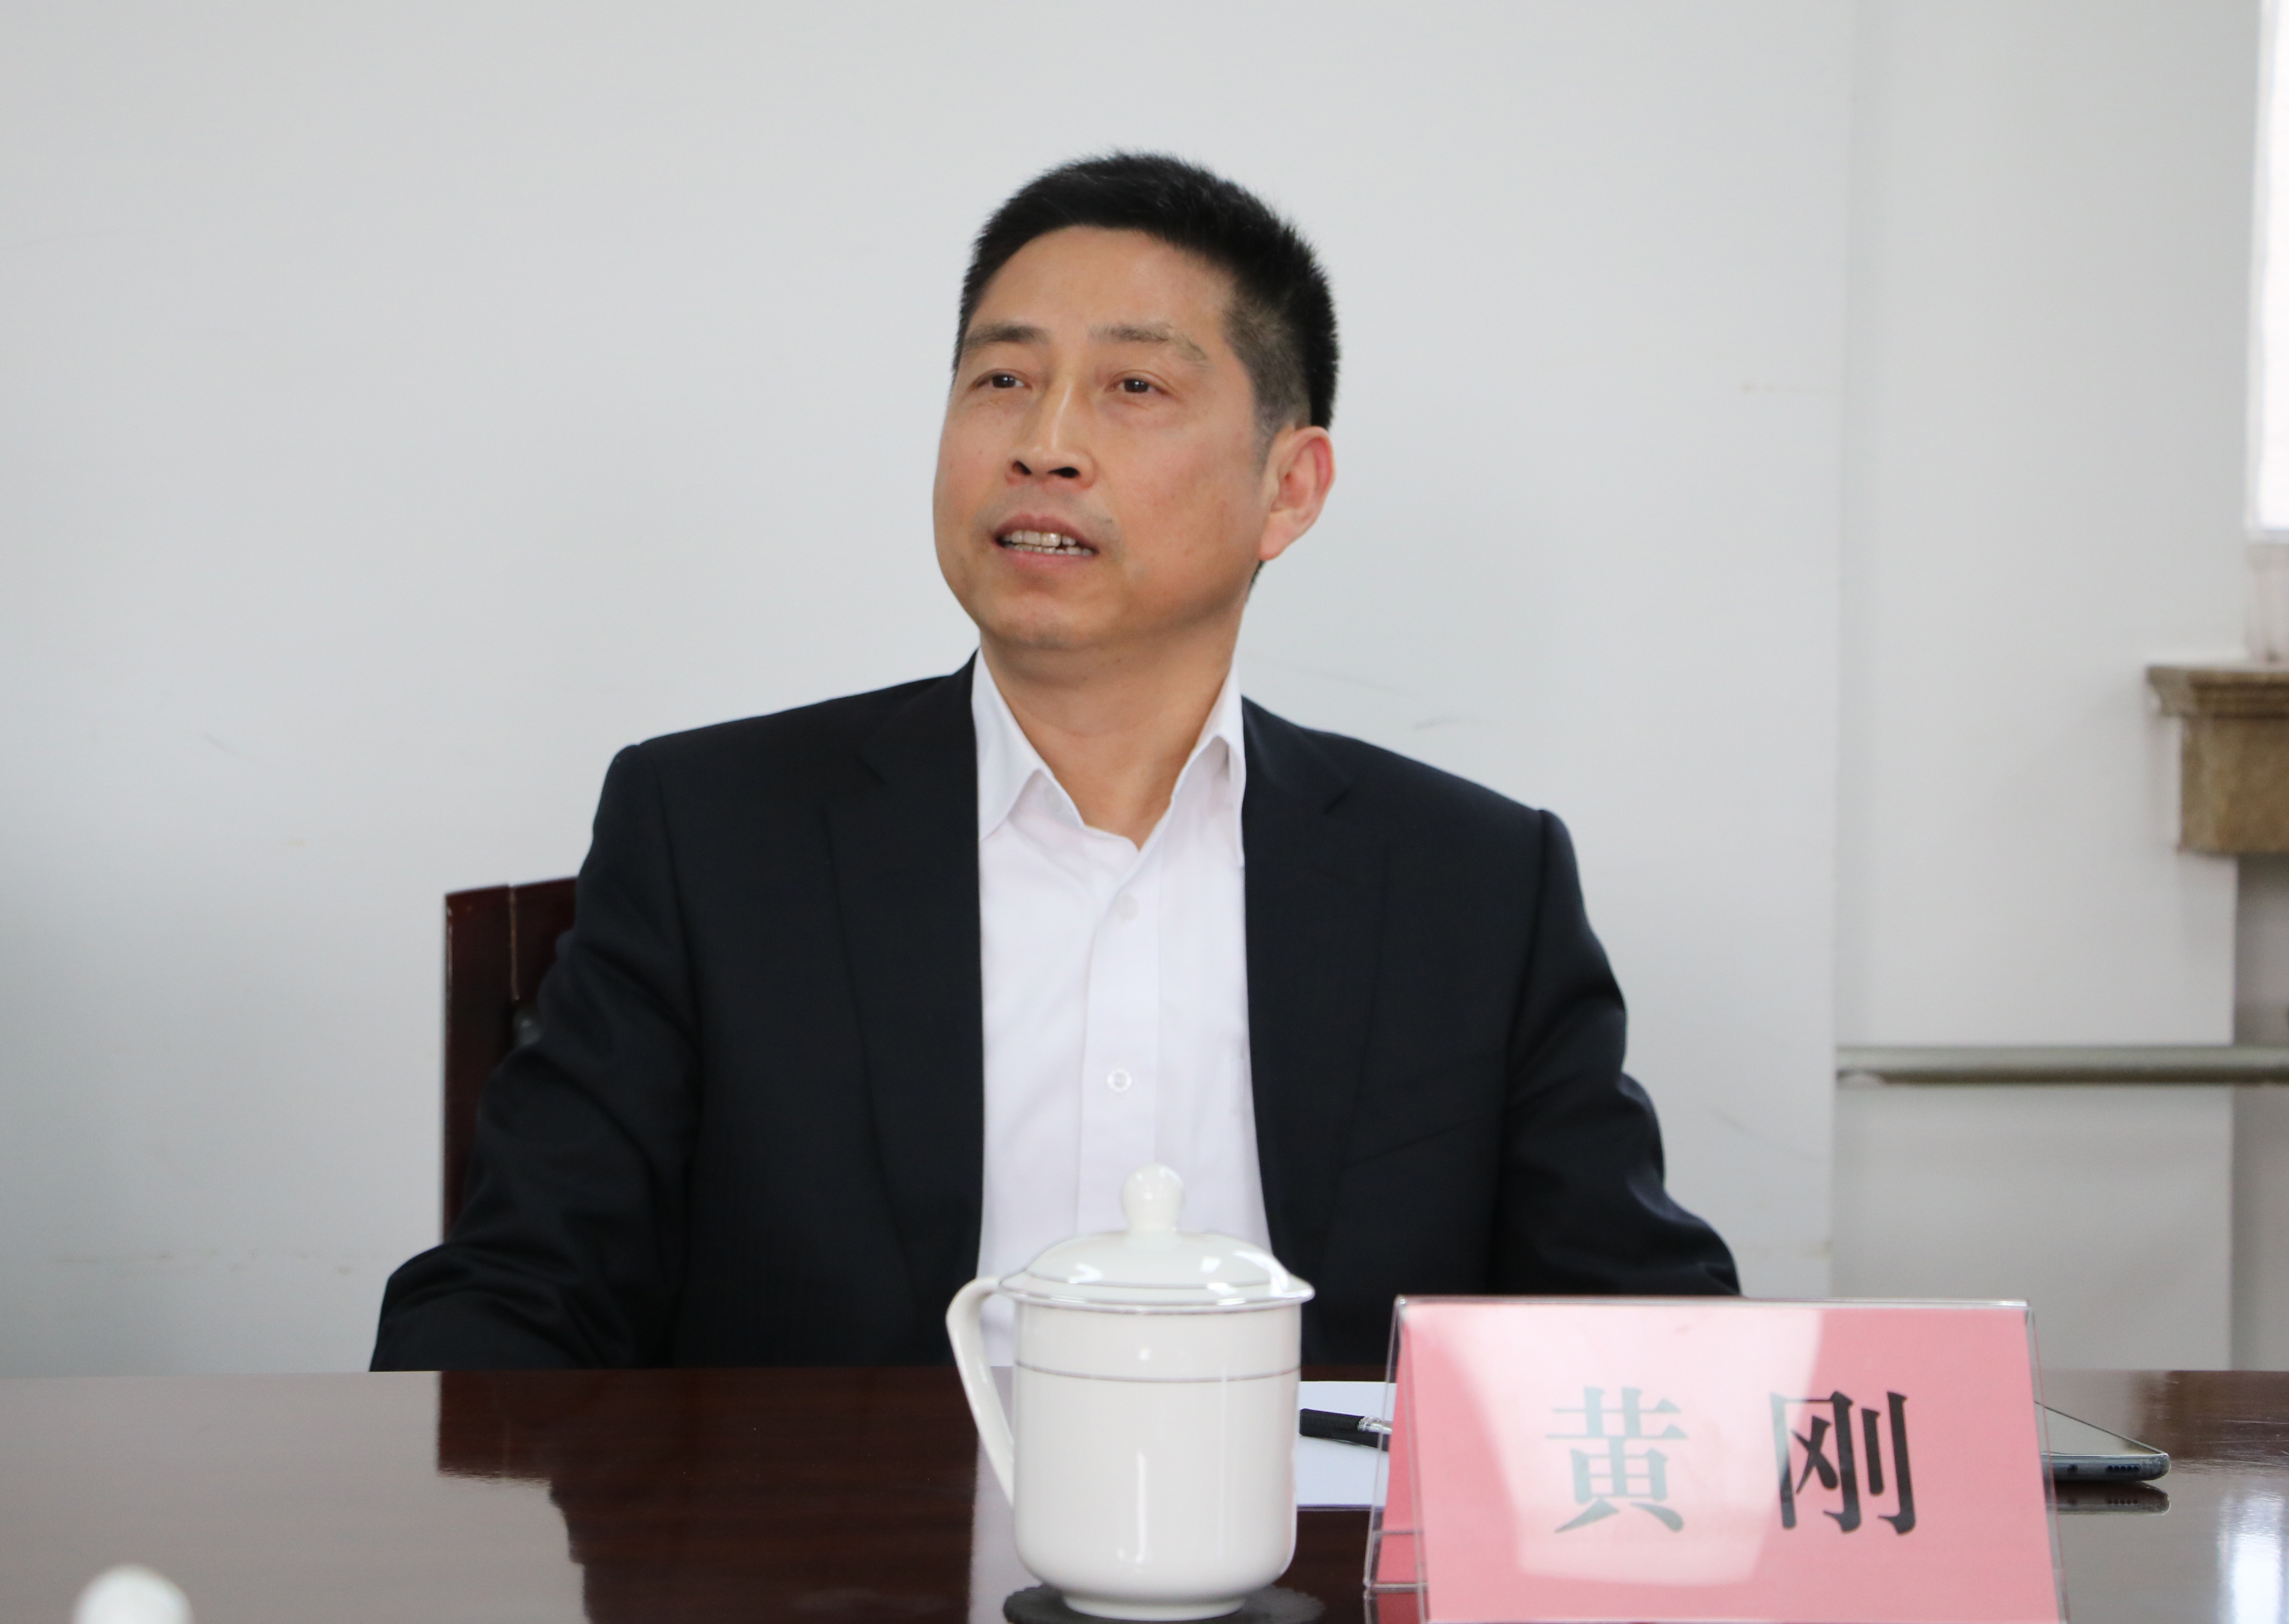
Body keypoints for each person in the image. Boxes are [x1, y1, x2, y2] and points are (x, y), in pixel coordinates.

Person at [373, 153, 1736, 1372]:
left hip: (1309, 1551)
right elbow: (519, 1292)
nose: (1044, 443)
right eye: (1002, 380)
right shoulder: (714, 835)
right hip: (838, 1548)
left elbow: (1644, 1333)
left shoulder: (1471, 884)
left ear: (1289, 487)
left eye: (1134, 387)